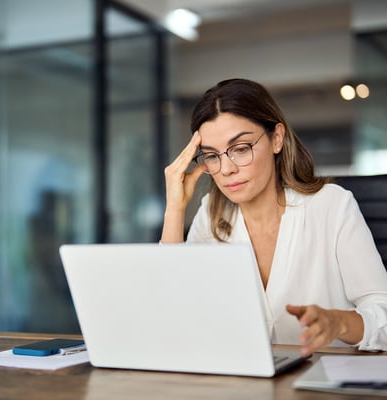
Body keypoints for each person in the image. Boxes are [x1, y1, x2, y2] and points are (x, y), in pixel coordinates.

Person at [161, 78, 387, 356]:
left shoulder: (331, 205)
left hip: (321, 385)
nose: (227, 169)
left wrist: (339, 322)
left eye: (241, 148)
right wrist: (174, 209)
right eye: (211, 156)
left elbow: (383, 315)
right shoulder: (211, 214)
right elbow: (172, 318)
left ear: (276, 138)